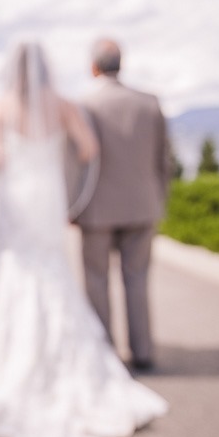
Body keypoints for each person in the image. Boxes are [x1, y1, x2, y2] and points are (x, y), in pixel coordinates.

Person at [0, 42, 167, 437]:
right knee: (54, 268)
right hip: (47, 196)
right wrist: (57, 159)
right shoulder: (63, 104)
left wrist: (1, 162)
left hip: (18, 197)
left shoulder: (1, 106)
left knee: (17, 267)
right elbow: (89, 149)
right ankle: (117, 354)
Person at [76, 38, 172, 371]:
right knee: (138, 279)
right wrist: (159, 198)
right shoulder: (150, 102)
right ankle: (143, 351)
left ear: (93, 66)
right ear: (122, 63)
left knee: (96, 280)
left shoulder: (84, 104)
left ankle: (105, 353)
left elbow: (76, 163)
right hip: (143, 205)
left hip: (96, 209)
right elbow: (165, 160)